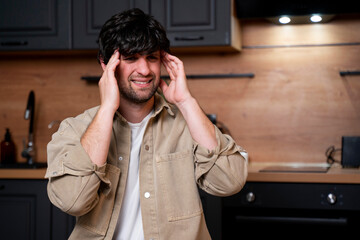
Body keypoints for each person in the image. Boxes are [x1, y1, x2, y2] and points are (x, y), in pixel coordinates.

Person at [46, 8, 248, 240]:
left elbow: (229, 183)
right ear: (105, 63)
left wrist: (186, 101)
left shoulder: (187, 125)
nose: (144, 70)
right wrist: (106, 109)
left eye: (152, 57)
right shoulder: (75, 129)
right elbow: (73, 202)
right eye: (131, 58)